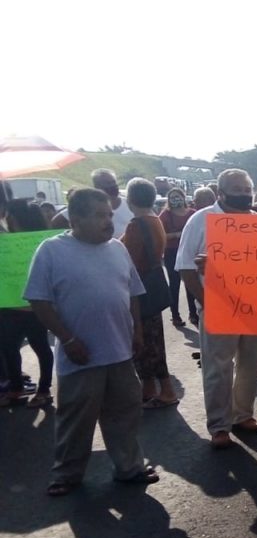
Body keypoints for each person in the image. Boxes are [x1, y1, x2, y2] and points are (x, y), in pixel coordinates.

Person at [23, 188, 159, 496]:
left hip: (120, 351)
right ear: (75, 218)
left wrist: (136, 332)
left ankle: (130, 468)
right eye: (99, 216)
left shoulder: (117, 248)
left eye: (109, 214)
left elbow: (133, 294)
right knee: (76, 419)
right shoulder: (51, 250)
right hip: (80, 355)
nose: (108, 222)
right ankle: (67, 475)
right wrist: (68, 339)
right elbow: (39, 301)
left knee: (124, 414)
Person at [176, 169, 257, 450]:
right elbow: (186, 268)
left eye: (246, 188)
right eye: (236, 189)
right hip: (217, 307)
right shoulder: (201, 220)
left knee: (252, 363)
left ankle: (243, 415)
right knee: (217, 367)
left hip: (253, 307)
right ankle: (219, 425)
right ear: (221, 193)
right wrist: (208, 301)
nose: (243, 194)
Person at [122, 178, 179, 408]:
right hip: (152, 286)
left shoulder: (136, 225)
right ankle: (152, 389)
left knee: (145, 342)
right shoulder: (155, 220)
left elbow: (130, 262)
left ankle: (163, 390)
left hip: (140, 290)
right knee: (154, 340)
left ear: (130, 199)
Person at [0, 200, 55, 408]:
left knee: (40, 345)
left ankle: (44, 389)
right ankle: (16, 388)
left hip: (35, 306)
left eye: (9, 216)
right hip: (9, 306)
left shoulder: (41, 243)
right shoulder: (6, 241)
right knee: (8, 347)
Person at [158, 187, 198, 327]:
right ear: (169, 200)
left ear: (184, 197)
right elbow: (160, 235)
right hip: (172, 252)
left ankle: (194, 314)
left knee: (191, 283)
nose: (176, 199)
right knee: (174, 284)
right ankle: (175, 316)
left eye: (178, 196)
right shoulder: (165, 215)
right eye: (173, 197)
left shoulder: (193, 213)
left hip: (190, 252)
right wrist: (176, 235)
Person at [91, 169, 133, 238]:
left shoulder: (130, 204)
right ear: (97, 187)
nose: (112, 185)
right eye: (108, 183)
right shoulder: (90, 207)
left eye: (113, 182)